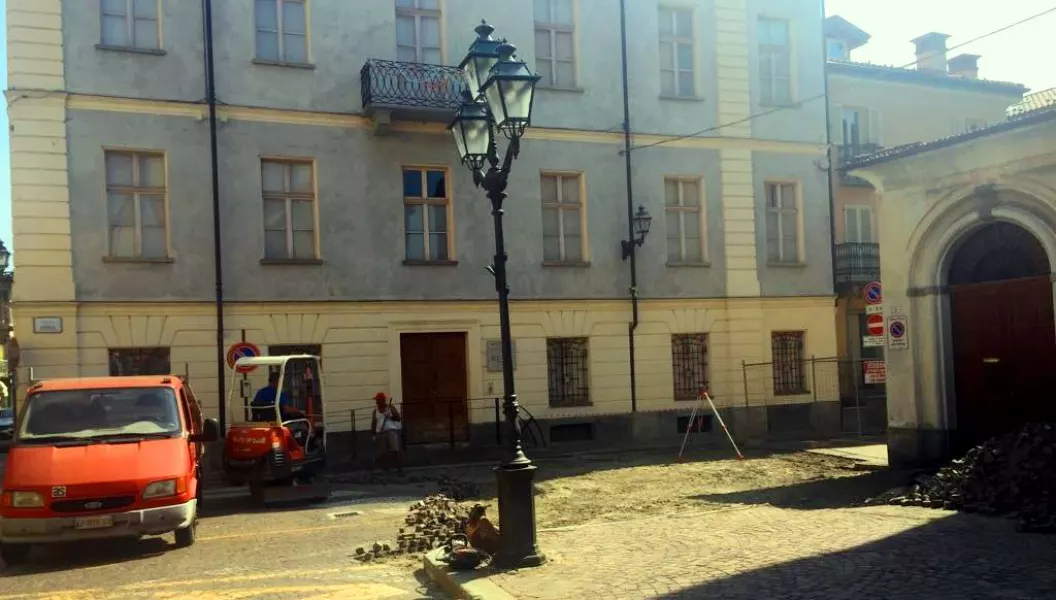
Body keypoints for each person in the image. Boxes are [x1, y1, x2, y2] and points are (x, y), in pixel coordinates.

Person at [370, 392, 402, 473]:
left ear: (383, 401)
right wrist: (373, 434)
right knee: (382, 452)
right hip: (380, 433)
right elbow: (373, 423)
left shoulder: (390, 408)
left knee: (395, 450)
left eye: (378, 400)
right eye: (376, 401)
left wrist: (390, 416)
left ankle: (399, 468)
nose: (377, 402)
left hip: (391, 431)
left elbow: (398, 418)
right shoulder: (375, 411)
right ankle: (385, 468)